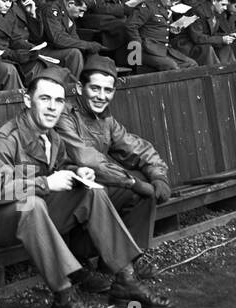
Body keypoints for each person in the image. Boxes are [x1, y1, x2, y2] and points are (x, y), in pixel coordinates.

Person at [0, 67, 173, 308]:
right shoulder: (4, 139)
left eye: (59, 101)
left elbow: (59, 168)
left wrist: (75, 171)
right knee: (33, 204)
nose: (52, 108)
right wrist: (46, 182)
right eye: (45, 99)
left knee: (92, 191)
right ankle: (64, 298)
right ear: (28, 101)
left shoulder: (51, 137)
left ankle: (125, 279)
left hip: (24, 212)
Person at [54, 55, 170, 278]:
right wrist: (131, 182)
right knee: (117, 187)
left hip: (96, 193)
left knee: (145, 188)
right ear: (79, 88)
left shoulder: (105, 120)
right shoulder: (64, 116)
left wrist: (158, 176)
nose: (101, 96)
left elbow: (137, 148)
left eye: (108, 90)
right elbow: (87, 159)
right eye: (95, 88)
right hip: (68, 200)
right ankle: (84, 261)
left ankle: (123, 261)